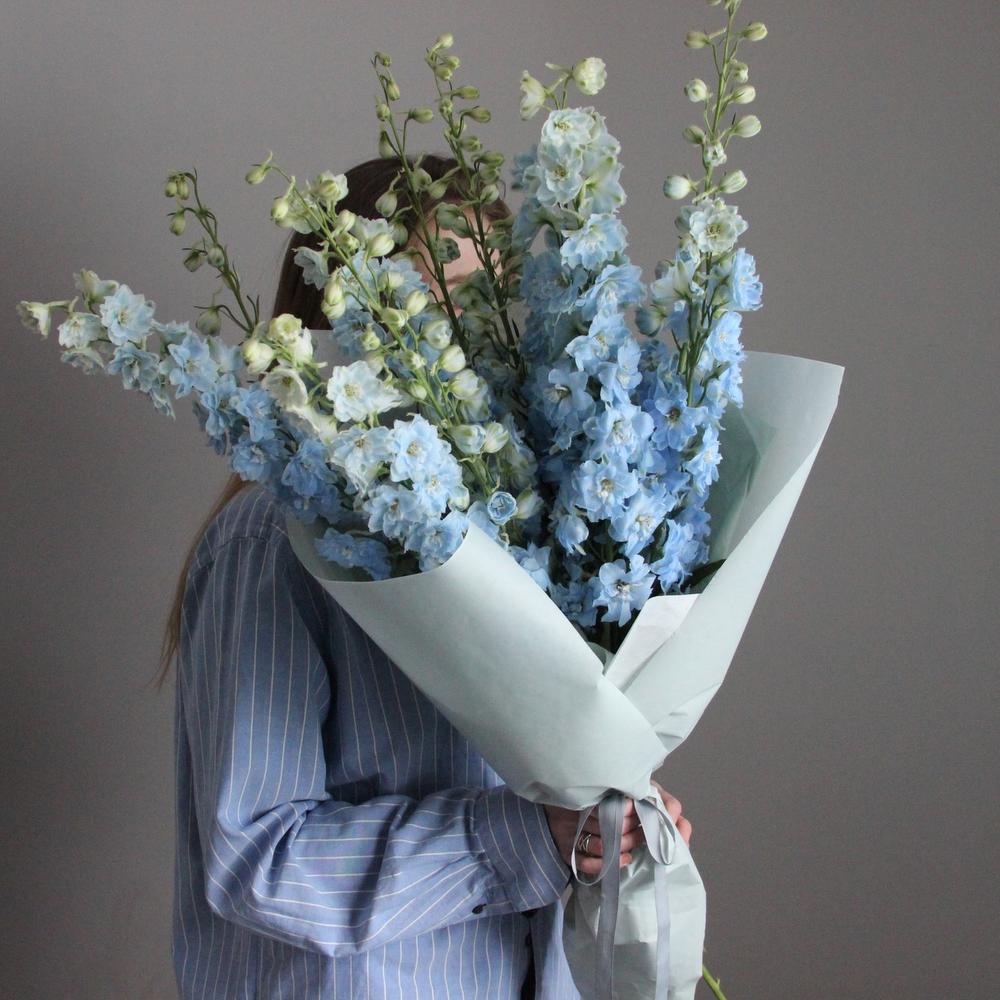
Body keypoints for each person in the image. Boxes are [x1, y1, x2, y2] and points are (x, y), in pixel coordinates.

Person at [154, 153, 693, 999]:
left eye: (488, 300)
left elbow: (546, 801)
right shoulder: (273, 543)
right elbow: (259, 858)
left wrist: (604, 823)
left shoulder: (521, 527)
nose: (465, 338)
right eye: (428, 299)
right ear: (335, 321)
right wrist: (529, 839)